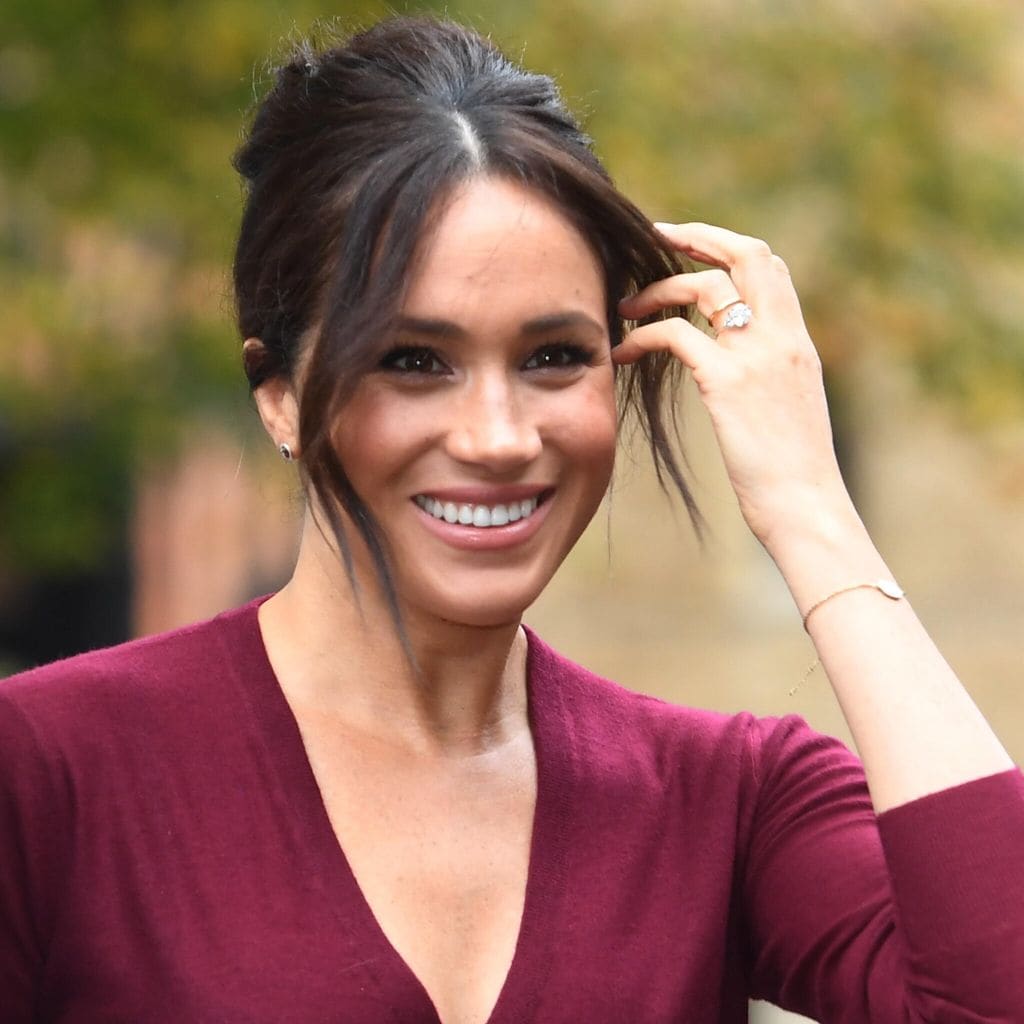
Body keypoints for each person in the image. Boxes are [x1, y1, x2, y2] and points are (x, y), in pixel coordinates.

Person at [1, 15, 1021, 1024]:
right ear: (276, 391)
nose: (496, 435)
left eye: (551, 357)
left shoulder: (730, 798)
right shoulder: (47, 773)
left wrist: (811, 509)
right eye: (412, 360)